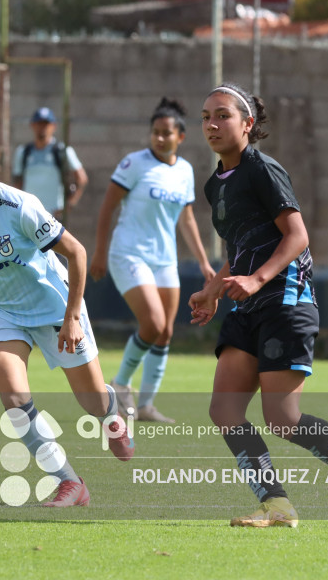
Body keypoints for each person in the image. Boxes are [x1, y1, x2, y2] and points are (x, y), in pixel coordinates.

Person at [189, 83, 328, 527]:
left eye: (223, 115)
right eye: (206, 116)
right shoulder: (215, 184)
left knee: (283, 418)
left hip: (286, 301)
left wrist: (256, 279)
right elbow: (242, 245)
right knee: (224, 410)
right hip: (248, 306)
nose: (211, 124)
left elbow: (297, 235)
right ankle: (276, 504)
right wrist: (214, 289)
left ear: (247, 124)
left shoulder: (263, 169)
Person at [0, 121, 133, 508]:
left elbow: (77, 253)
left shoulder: (19, 206)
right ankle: (69, 482)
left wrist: (72, 317)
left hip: (53, 306)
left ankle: (111, 413)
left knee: (92, 401)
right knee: (14, 398)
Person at [90, 97, 216, 423]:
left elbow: (187, 219)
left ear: (180, 137)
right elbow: (107, 207)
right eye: (155, 132)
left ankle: (145, 406)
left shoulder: (185, 171)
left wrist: (203, 262)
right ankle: (120, 384)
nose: (159, 138)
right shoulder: (134, 164)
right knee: (153, 324)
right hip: (129, 253)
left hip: (164, 260)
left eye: (166, 133)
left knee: (165, 333)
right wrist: (100, 251)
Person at [12, 107, 88, 221]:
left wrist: (69, 205)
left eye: (46, 124)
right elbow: (18, 184)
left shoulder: (63, 151)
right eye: (39, 124)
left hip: (54, 217)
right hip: (29, 215)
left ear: (54, 126)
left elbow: (82, 179)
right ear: (32, 125)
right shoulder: (23, 152)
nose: (42, 128)